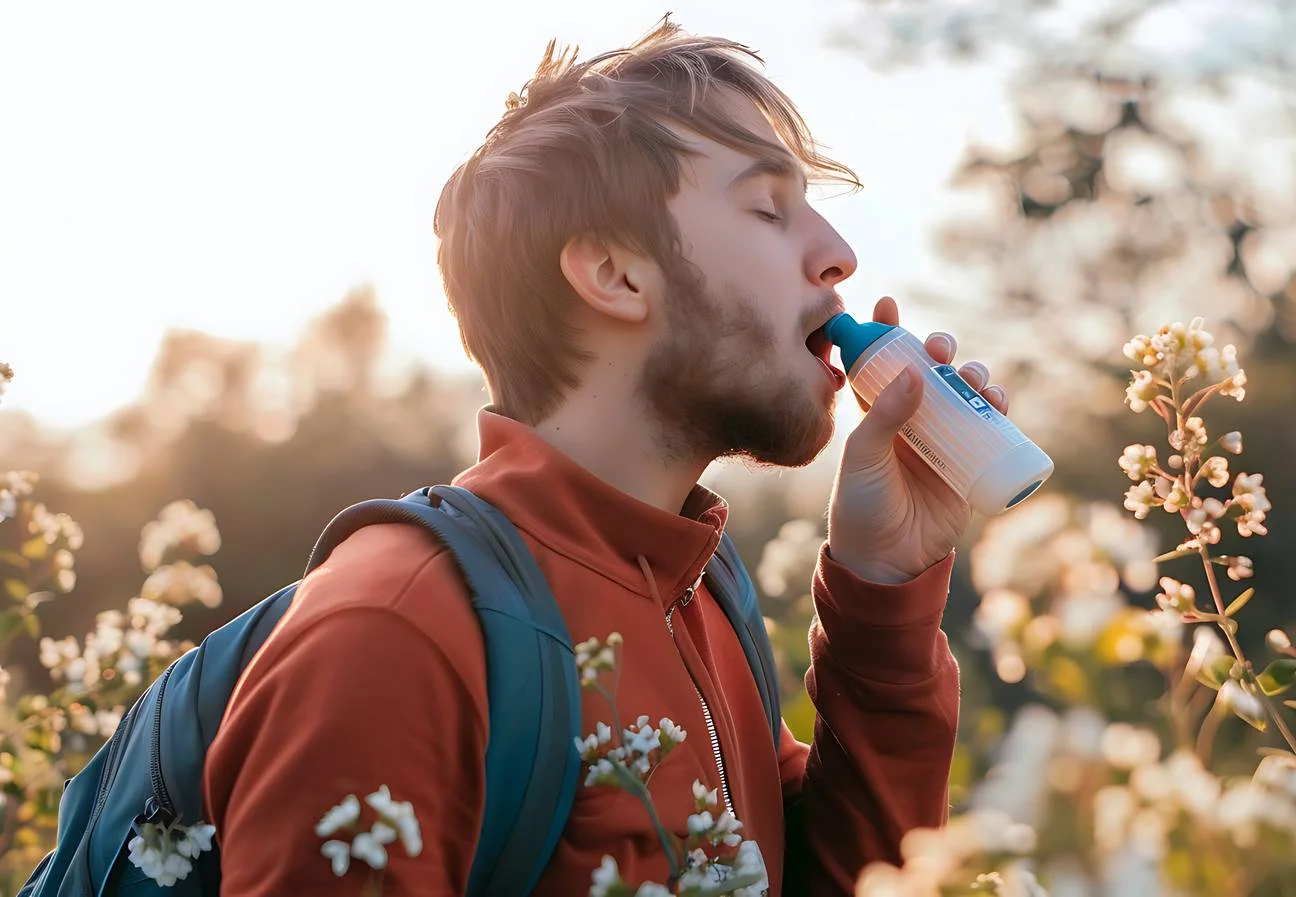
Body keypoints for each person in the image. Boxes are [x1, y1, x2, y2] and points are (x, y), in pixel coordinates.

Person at [202, 16, 1015, 896]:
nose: (838, 256)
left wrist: (882, 594)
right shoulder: (398, 629)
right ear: (615, 275)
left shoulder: (698, 596)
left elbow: (853, 882)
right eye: (768, 209)